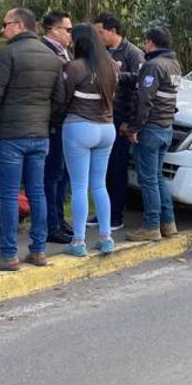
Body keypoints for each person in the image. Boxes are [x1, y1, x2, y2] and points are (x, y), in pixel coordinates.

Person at [0, 7, 65, 270]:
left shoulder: (7, 54)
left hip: (10, 136)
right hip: (39, 136)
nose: (2, 30)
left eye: (4, 25)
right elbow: (60, 100)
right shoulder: (51, 58)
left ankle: (8, 254)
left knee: (9, 194)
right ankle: (38, 251)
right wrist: (47, 123)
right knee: (37, 191)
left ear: (18, 25)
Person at [59, 24, 119, 257]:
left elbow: (62, 99)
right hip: (107, 128)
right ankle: (106, 238)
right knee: (99, 185)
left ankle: (79, 241)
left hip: (79, 128)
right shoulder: (112, 66)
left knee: (79, 187)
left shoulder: (73, 67)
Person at [126, 27, 182, 242]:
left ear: (150, 43)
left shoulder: (152, 66)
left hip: (151, 129)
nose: (144, 46)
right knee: (157, 177)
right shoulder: (174, 65)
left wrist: (134, 128)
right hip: (166, 127)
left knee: (148, 179)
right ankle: (168, 223)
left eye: (145, 42)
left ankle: (151, 226)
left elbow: (144, 101)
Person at [93, 13, 144, 231]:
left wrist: (130, 122)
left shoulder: (132, 53)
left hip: (120, 119)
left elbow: (140, 86)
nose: (98, 36)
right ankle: (101, 212)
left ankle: (116, 215)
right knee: (100, 168)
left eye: (101, 32)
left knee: (117, 167)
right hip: (100, 116)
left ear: (113, 31)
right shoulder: (101, 52)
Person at [41, 10, 74, 245]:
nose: (70, 35)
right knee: (52, 176)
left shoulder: (64, 52)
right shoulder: (46, 52)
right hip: (53, 124)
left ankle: (59, 219)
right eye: (68, 30)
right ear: (54, 30)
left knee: (62, 175)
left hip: (65, 123)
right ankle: (51, 224)